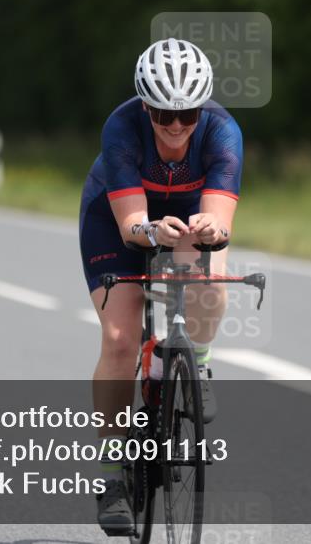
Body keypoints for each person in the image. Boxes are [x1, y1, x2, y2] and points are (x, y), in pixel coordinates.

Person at [80, 38, 243, 533]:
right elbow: (132, 225)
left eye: (187, 114)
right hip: (118, 216)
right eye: (163, 115)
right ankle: (110, 473)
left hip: (190, 213)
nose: (175, 127)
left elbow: (219, 219)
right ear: (145, 105)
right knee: (119, 339)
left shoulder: (223, 131)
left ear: (202, 109)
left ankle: (201, 364)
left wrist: (211, 231)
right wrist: (151, 230)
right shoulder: (122, 127)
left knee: (210, 282)